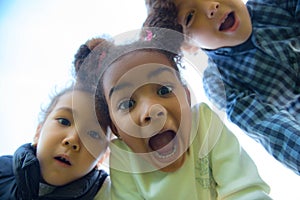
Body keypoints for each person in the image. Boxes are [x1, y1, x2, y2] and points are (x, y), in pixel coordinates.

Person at [75, 28, 271, 199]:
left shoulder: (203, 123)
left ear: (186, 97)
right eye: (128, 104)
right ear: (115, 127)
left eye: (163, 90)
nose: (152, 110)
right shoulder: (124, 157)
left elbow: (244, 189)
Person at [143, 0, 300, 175]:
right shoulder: (219, 83)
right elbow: (274, 130)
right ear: (188, 45)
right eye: (190, 17)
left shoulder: (273, 5)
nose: (211, 7)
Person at [0, 81, 110, 199]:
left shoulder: (108, 194)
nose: (72, 140)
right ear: (38, 131)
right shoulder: (3, 171)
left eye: (93, 134)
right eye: (64, 121)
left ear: (103, 157)